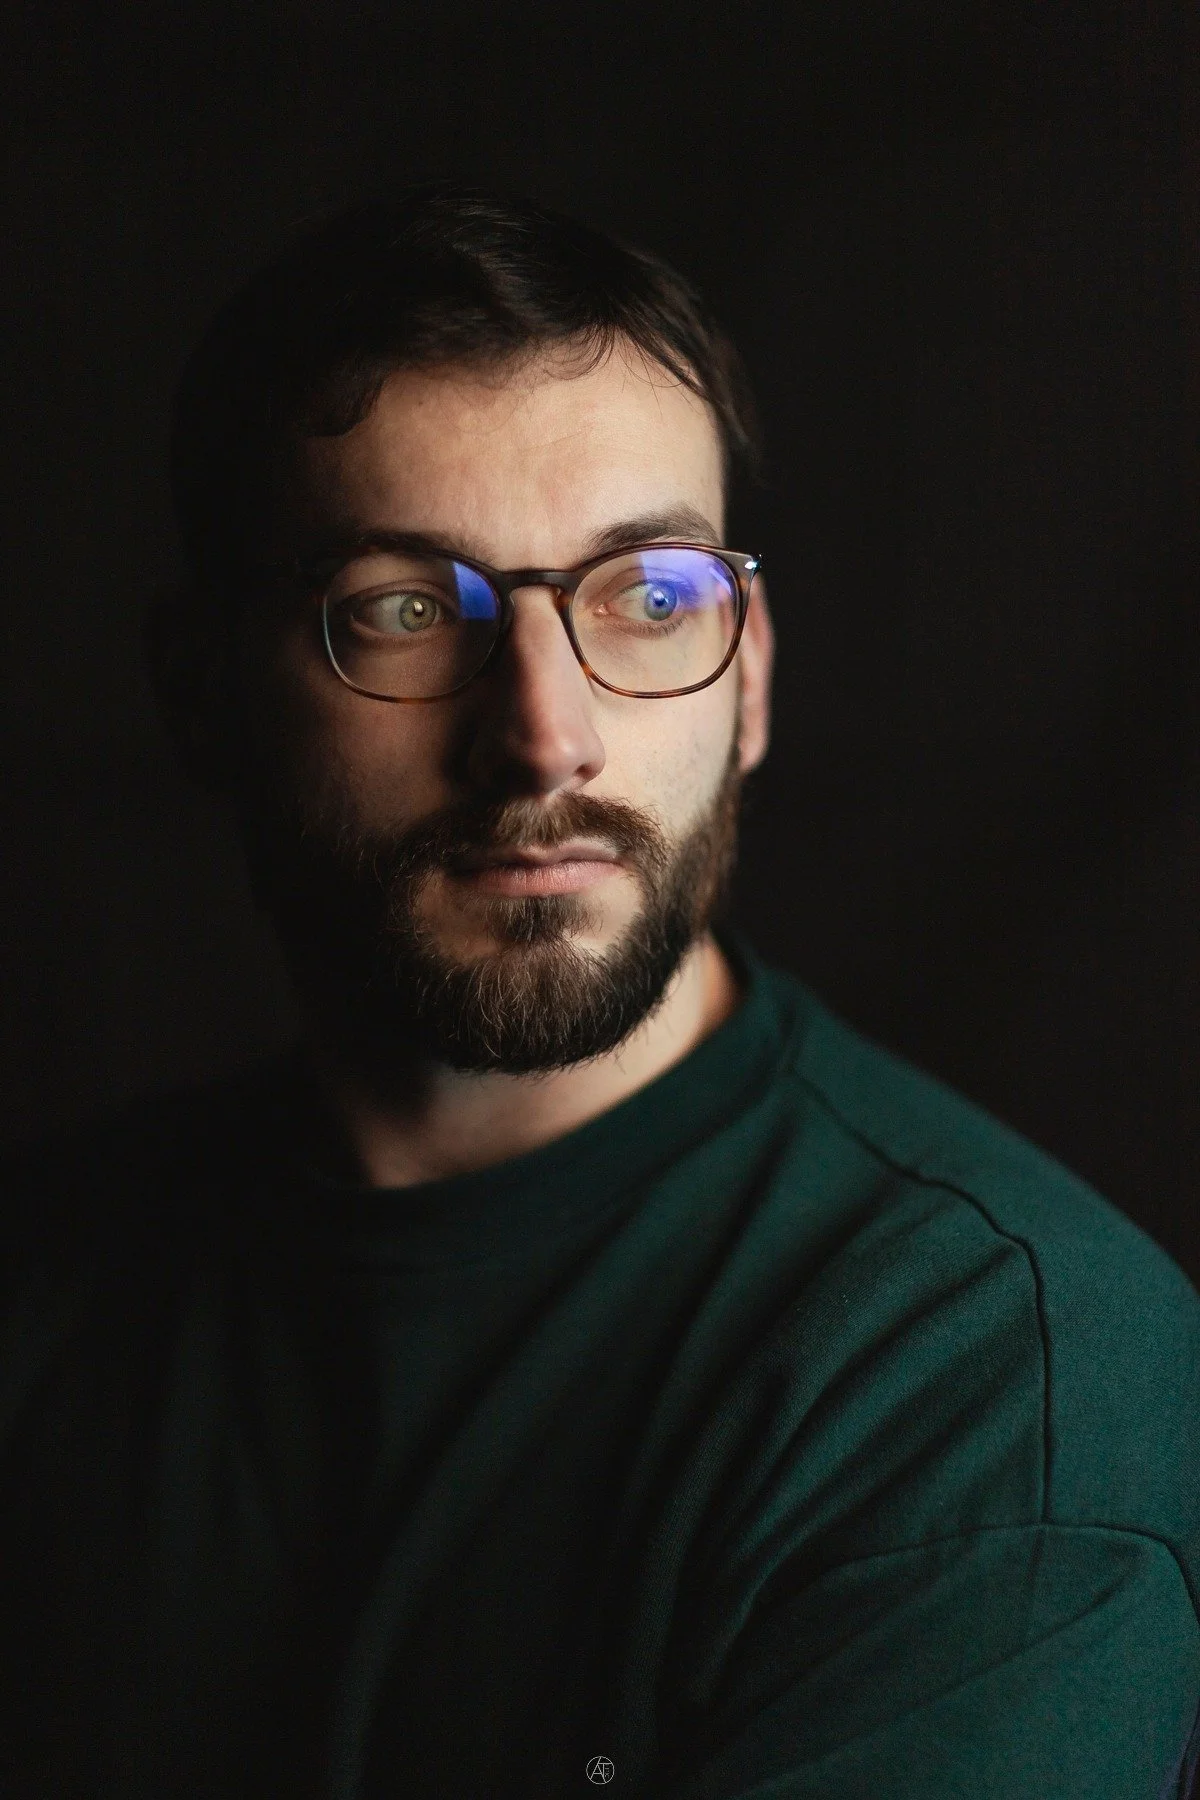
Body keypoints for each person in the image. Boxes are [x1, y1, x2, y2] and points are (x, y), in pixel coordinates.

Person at [2, 185, 1197, 1800]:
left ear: (752, 674)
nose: (547, 736)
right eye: (408, 610)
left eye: (650, 599)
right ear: (202, 693)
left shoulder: (991, 1376)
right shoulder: (60, 1281)